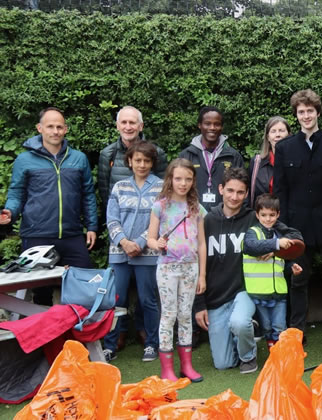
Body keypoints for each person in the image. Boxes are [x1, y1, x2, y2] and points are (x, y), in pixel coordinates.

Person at [273, 89, 322, 344]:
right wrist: (283, 227)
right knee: (298, 279)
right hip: (297, 226)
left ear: (318, 112)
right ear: (296, 115)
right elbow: (281, 190)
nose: (306, 116)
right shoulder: (285, 148)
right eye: (301, 112)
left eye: (310, 110)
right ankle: (297, 331)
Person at [0, 107, 97, 305]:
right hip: (37, 235)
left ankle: (76, 335)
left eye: (59, 127)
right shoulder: (24, 160)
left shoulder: (79, 158)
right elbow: (17, 193)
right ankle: (43, 336)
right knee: (40, 296)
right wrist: (10, 211)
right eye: (50, 126)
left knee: (85, 289)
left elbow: (88, 194)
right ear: (40, 128)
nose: (55, 131)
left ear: (66, 129)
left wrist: (92, 226)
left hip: (72, 235)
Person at [98, 105, 168, 350]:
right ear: (130, 162)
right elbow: (112, 218)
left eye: (146, 161)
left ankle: (151, 342)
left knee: (148, 299)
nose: (142, 164)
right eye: (137, 160)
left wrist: (139, 242)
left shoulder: (160, 188)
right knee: (115, 299)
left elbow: (158, 220)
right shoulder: (119, 188)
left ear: (152, 162)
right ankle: (109, 344)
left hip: (147, 252)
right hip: (119, 251)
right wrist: (124, 242)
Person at [193, 167, 259, 373]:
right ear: (220, 189)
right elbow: (196, 265)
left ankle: (249, 355)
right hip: (216, 297)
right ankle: (240, 332)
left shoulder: (253, 219)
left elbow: (279, 235)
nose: (234, 196)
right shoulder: (207, 220)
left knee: (239, 322)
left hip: (244, 291)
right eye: (230, 190)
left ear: (247, 193)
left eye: (240, 192)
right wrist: (199, 305)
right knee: (223, 363)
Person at [147, 158, 207, 382]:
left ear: (193, 181)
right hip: (167, 268)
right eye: (178, 178)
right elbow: (150, 239)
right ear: (170, 179)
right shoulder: (160, 206)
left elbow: (201, 243)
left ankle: (187, 366)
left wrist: (202, 274)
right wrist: (157, 244)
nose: (183, 183)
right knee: (169, 315)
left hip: (190, 268)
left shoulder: (196, 207)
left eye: (188, 179)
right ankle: (167, 369)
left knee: (185, 315)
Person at [243, 193, 303, 349]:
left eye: (272, 215)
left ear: (278, 215)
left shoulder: (280, 234)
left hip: (279, 292)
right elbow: (251, 247)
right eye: (263, 215)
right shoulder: (253, 232)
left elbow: (282, 262)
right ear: (257, 215)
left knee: (279, 327)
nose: (268, 219)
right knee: (267, 327)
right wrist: (276, 244)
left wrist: (292, 268)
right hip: (259, 292)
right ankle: (272, 349)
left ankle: (278, 354)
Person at [179, 106, 244, 212]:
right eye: (207, 123)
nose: (212, 128)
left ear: (222, 127)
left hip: (224, 218)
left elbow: (242, 189)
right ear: (199, 125)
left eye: (217, 124)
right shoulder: (186, 155)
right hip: (193, 216)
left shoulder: (233, 157)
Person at [248, 116, 291, 207]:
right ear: (268, 137)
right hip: (262, 217)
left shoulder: (297, 162)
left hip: (289, 217)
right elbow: (248, 194)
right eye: (273, 131)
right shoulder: (256, 163)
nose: (277, 135)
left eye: (281, 131)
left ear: (289, 135)